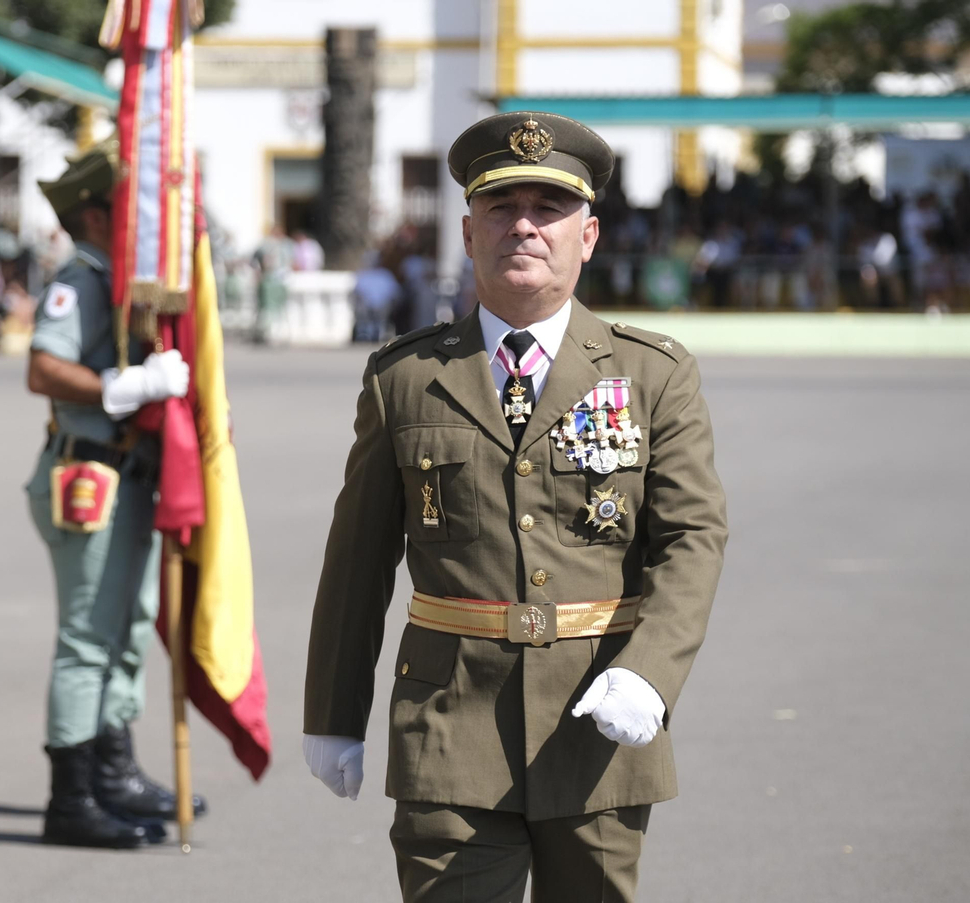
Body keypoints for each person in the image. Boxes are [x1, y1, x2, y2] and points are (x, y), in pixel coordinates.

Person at [302, 111, 728, 902]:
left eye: (548, 208)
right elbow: (358, 559)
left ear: (588, 234)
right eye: (502, 207)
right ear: (468, 233)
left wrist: (651, 673)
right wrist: (334, 708)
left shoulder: (653, 375)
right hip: (449, 720)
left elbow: (692, 538)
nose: (524, 226)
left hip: (599, 714)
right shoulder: (405, 377)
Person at [24, 141, 206, 849]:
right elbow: (42, 367)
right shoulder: (83, 276)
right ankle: (69, 798)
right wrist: (116, 388)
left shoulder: (118, 276)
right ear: (97, 214)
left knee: (129, 622)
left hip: (125, 476)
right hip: (87, 477)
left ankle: (110, 771)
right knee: (86, 639)